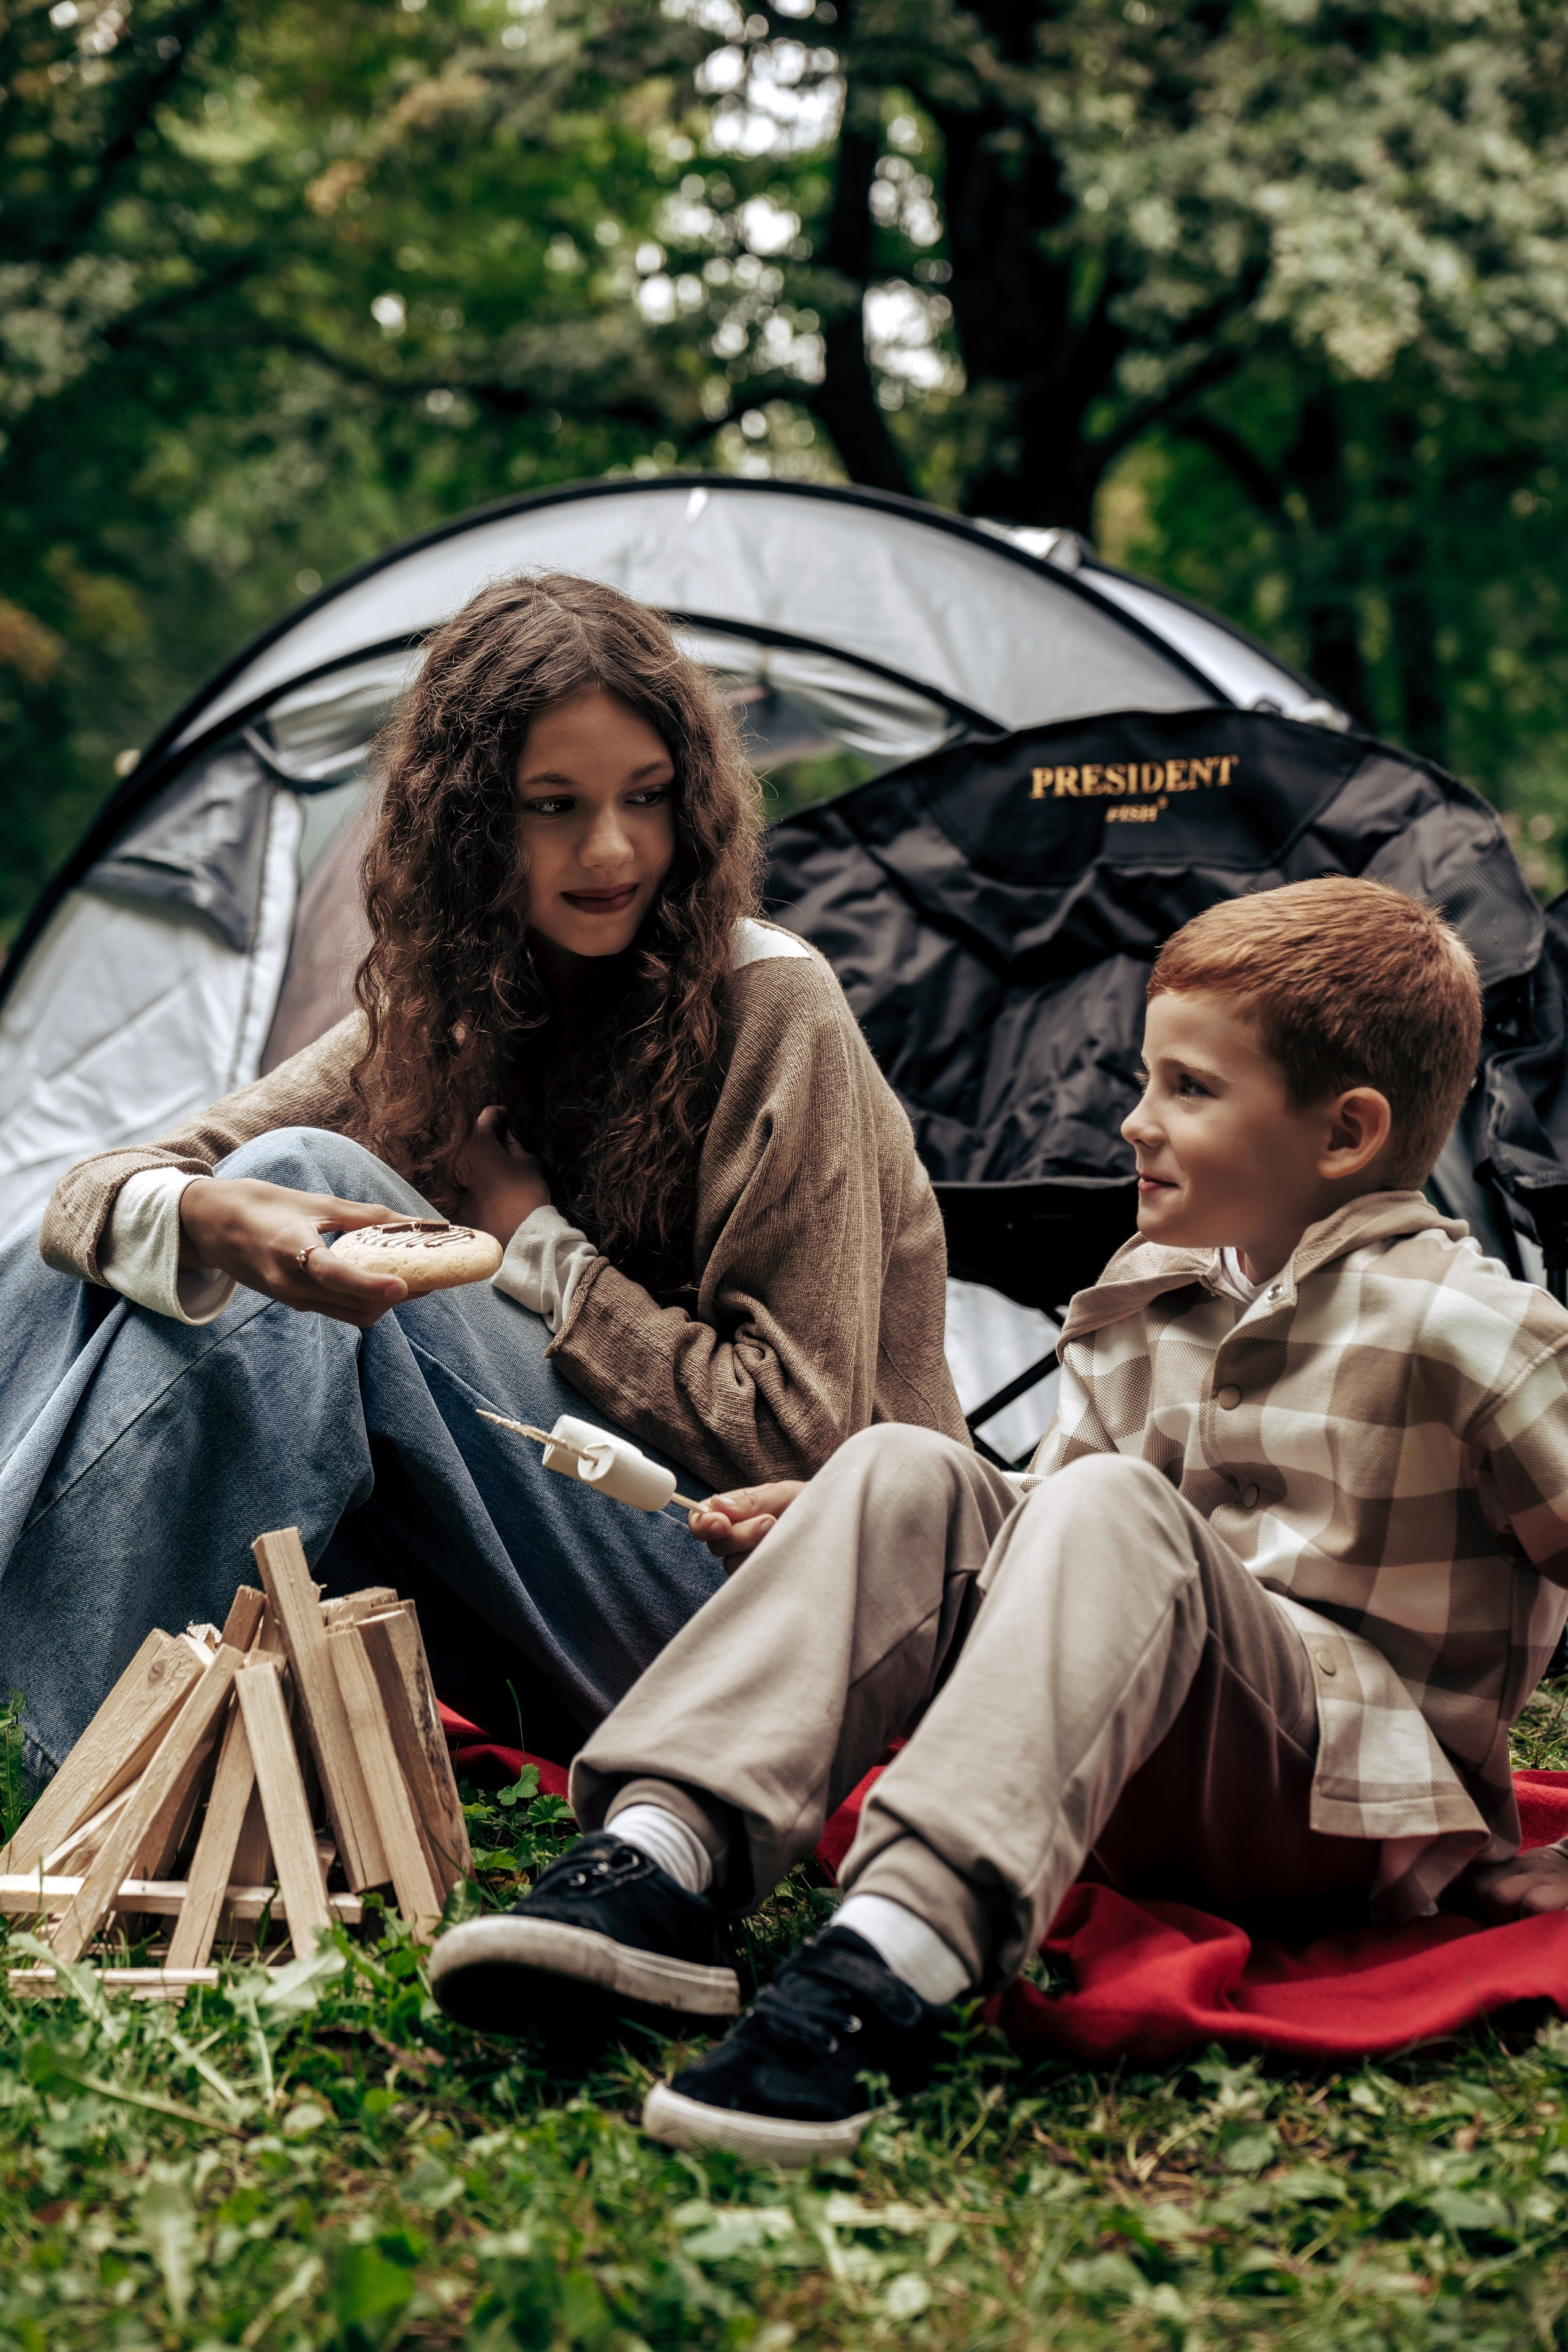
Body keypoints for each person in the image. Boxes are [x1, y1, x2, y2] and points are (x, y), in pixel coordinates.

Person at [428, 873, 1568, 2165]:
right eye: (1146, 1080)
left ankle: (889, 1962)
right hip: (1128, 1768)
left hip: (1338, 1812)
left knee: (1096, 1500)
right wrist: (863, 1519)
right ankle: (661, 1855)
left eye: (1189, 1091)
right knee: (905, 1468)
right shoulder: (1149, 1291)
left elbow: (1115, 1528)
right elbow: (1071, 1539)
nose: (1133, 1124)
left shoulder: (1468, 1328)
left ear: (1345, 1134)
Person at [0, 571, 965, 1792]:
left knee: (305, 1177)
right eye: (551, 806)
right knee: (145, 1246)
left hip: (760, 1614)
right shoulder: (451, 1007)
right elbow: (85, 1198)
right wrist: (207, 1213)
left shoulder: (771, 1003)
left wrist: (531, 1243)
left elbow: (801, 1433)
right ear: (472, 825)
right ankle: (49, 1736)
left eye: (647, 799)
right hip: (533, 1592)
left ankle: (52, 1767)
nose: (609, 850)